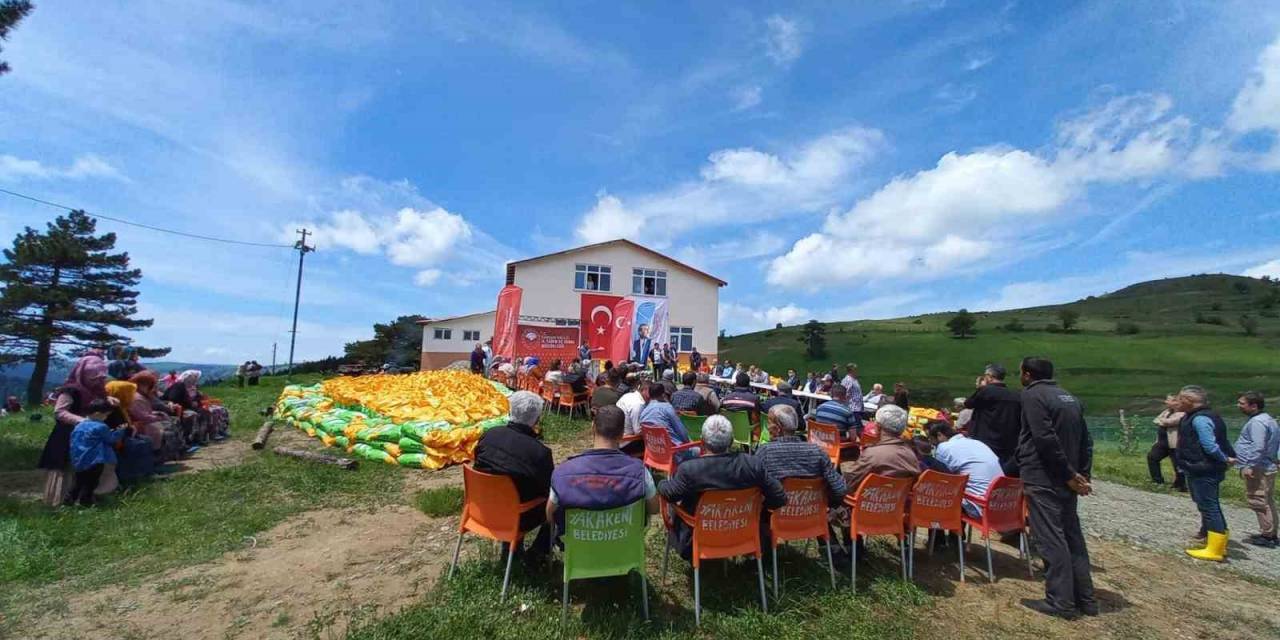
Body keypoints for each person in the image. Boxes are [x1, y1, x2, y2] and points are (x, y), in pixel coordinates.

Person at [1016, 356, 1097, 619]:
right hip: (1067, 477)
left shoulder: (1033, 395)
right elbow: (1086, 440)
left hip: (1044, 476)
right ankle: (1086, 599)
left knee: (1050, 537)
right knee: (1072, 535)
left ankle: (1060, 602)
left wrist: (1068, 473)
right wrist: (1081, 474)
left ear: (1027, 374)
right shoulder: (1068, 397)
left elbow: (1044, 437)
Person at [658, 415, 787, 557]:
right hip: (744, 533)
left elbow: (670, 493)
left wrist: (661, 483)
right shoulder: (752, 465)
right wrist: (760, 510)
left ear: (702, 441)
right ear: (731, 441)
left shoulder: (689, 470)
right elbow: (779, 496)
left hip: (699, 538)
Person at [546, 405, 658, 539]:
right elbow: (654, 509)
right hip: (624, 547)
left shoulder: (563, 472)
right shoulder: (640, 473)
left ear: (593, 427)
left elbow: (550, 514)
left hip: (579, 551)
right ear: (622, 434)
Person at [473, 391, 555, 556]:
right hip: (518, 516)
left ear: (510, 412)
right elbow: (549, 489)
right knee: (558, 505)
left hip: (480, 509)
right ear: (537, 420)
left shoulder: (489, 435)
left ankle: (512, 549)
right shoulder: (539, 452)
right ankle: (536, 555)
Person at [38, 354, 110, 506]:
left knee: (90, 468)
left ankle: (88, 497)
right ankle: (59, 501)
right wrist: (84, 421)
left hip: (88, 436)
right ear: (83, 374)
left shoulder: (99, 391)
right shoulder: (70, 390)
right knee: (65, 468)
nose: (97, 382)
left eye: (100, 378)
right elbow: (60, 412)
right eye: (93, 378)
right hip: (67, 434)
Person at [1175, 385, 1236, 562]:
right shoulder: (1196, 416)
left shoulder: (1200, 419)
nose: (1177, 402)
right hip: (1198, 467)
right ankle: (1217, 543)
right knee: (1207, 504)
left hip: (1205, 468)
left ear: (1189, 401)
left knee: (1209, 506)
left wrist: (1224, 459)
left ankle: (1215, 549)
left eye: (1180, 399)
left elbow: (1209, 445)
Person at [757, 405, 846, 505]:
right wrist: (827, 504)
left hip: (776, 515)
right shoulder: (818, 452)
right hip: (812, 513)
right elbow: (840, 489)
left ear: (778, 429)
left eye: (769, 423)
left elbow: (754, 490)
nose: (767, 428)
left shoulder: (765, 452)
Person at [1232, 391, 1278, 548]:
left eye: (1242, 403)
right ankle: (1270, 532)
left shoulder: (1257, 423)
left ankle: (1268, 536)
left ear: (1254, 405)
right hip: (1267, 465)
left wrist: (1250, 465)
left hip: (1259, 468)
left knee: (1259, 501)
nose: (1238, 406)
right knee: (1267, 500)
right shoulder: (1268, 419)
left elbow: (1258, 447)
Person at [928, 420, 1003, 517]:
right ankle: (956, 532)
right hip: (1003, 505)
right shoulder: (977, 442)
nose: (933, 445)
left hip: (980, 506)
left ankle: (944, 531)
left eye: (932, 440)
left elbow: (942, 478)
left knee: (939, 493)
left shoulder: (944, 447)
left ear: (939, 435)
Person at [843, 405, 921, 492]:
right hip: (896, 502)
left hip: (868, 501)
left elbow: (850, 482)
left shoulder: (873, 454)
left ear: (878, 427)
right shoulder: (911, 455)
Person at [964, 364, 1023, 474]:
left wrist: (980, 388)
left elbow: (968, 403)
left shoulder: (986, 391)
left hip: (985, 439)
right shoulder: (1015, 394)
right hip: (1007, 441)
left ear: (989, 377)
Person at [65, 398, 124, 507]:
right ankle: (86, 502)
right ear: (98, 414)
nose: (106, 418)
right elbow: (110, 439)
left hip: (78, 458)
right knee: (91, 483)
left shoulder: (79, 425)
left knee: (78, 482)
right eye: (105, 415)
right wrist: (120, 431)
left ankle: (69, 501)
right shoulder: (101, 426)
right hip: (95, 459)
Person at [638, 382, 694, 458]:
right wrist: (689, 443)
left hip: (654, 453)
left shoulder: (643, 411)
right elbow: (682, 432)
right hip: (674, 453)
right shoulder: (667, 408)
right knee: (698, 449)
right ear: (663, 395)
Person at [1147, 394, 1186, 490]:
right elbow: (1156, 420)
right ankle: (1157, 480)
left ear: (1176, 402)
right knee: (1152, 457)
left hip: (1175, 443)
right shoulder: (1167, 411)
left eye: (1168, 400)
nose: (1165, 402)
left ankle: (1180, 485)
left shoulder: (1183, 413)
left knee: (1177, 464)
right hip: (1162, 442)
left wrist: (1164, 421)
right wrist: (1164, 421)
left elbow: (1169, 422)